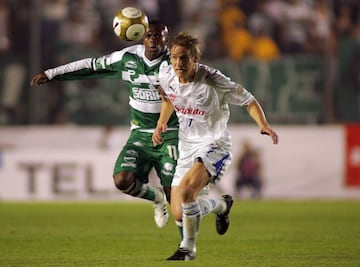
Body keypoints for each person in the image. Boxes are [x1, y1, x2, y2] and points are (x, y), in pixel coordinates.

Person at [30, 21, 178, 229]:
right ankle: (156, 198)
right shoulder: (127, 59)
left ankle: (210, 214)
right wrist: (52, 73)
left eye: (159, 36)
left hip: (171, 132)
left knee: (177, 196)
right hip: (140, 134)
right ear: (142, 38)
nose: (154, 40)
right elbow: (90, 65)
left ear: (167, 39)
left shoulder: (176, 62)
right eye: (149, 36)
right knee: (122, 181)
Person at [152, 32, 279, 261]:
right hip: (187, 146)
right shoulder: (166, 74)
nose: (178, 63)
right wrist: (161, 123)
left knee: (189, 191)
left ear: (195, 59)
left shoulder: (213, 79)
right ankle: (221, 205)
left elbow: (248, 100)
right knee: (179, 213)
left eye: (184, 58)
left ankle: (188, 249)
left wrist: (263, 125)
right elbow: (168, 97)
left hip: (215, 144)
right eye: (174, 57)